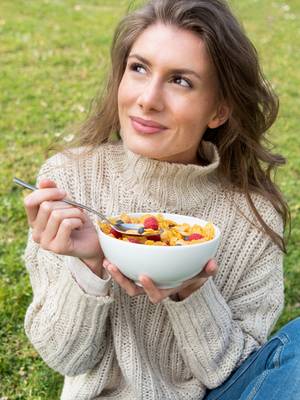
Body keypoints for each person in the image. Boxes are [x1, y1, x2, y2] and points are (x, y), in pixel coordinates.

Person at [22, 0, 300, 399]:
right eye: (139, 68)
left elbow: (238, 374)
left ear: (219, 110)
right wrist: (89, 265)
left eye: (181, 81)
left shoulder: (254, 219)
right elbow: (65, 357)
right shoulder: (70, 182)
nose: (148, 99)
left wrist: (191, 292)